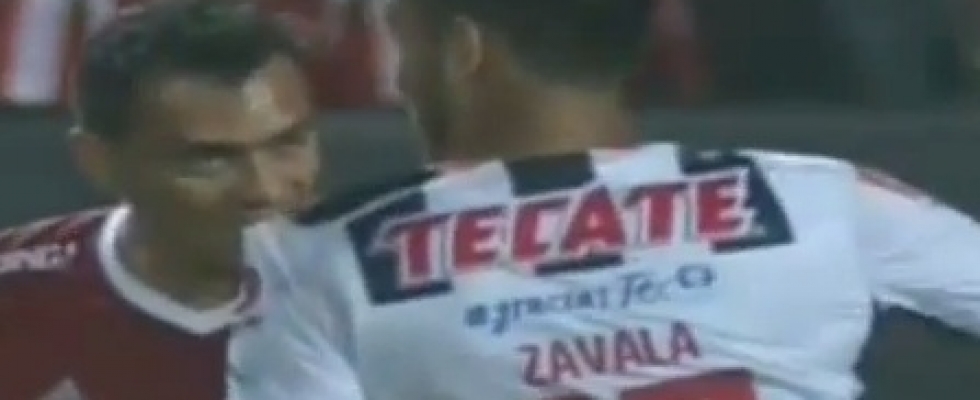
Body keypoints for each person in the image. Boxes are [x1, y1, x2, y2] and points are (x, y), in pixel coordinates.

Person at [247, 0, 980, 399]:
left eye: (403, 39)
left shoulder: (317, 259)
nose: (402, 79)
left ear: (465, 50)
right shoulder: (821, 198)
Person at [0, 2, 361, 400]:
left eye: (287, 144)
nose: (264, 189)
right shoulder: (14, 301)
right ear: (98, 162)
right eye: (209, 160)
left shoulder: (387, 300)